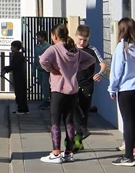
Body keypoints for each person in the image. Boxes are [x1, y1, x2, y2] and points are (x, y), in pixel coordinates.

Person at [38, 24, 97, 164]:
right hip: (72, 90)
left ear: (54, 36)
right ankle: (69, 153)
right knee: (69, 121)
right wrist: (75, 69)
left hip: (58, 89)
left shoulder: (54, 48)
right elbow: (91, 60)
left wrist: (53, 69)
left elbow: (42, 60)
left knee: (55, 121)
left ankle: (56, 152)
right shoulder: (74, 49)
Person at [108, 17, 135, 166]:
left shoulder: (122, 47)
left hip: (126, 89)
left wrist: (112, 88)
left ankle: (128, 156)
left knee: (128, 122)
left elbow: (116, 70)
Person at [73, 24, 106, 149]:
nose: (82, 42)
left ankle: (78, 142)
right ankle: (82, 131)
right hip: (73, 83)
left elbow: (103, 64)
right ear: (76, 36)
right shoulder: (71, 49)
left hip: (87, 84)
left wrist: (100, 73)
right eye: (80, 39)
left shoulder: (92, 50)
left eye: (85, 40)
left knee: (84, 112)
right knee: (74, 107)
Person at [3, 40, 29, 115]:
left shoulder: (16, 55)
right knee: (22, 93)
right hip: (22, 76)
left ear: (15, 47)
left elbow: (14, 66)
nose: (11, 48)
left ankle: (21, 109)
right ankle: (24, 108)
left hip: (18, 77)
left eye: (12, 46)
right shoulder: (20, 55)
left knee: (19, 93)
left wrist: (6, 69)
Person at [35, 29, 52, 110]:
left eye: (38, 37)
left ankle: (47, 101)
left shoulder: (48, 47)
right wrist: (33, 69)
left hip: (45, 69)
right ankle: (45, 100)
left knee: (46, 85)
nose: (37, 38)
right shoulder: (37, 46)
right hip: (39, 68)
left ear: (43, 37)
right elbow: (35, 58)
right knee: (41, 84)